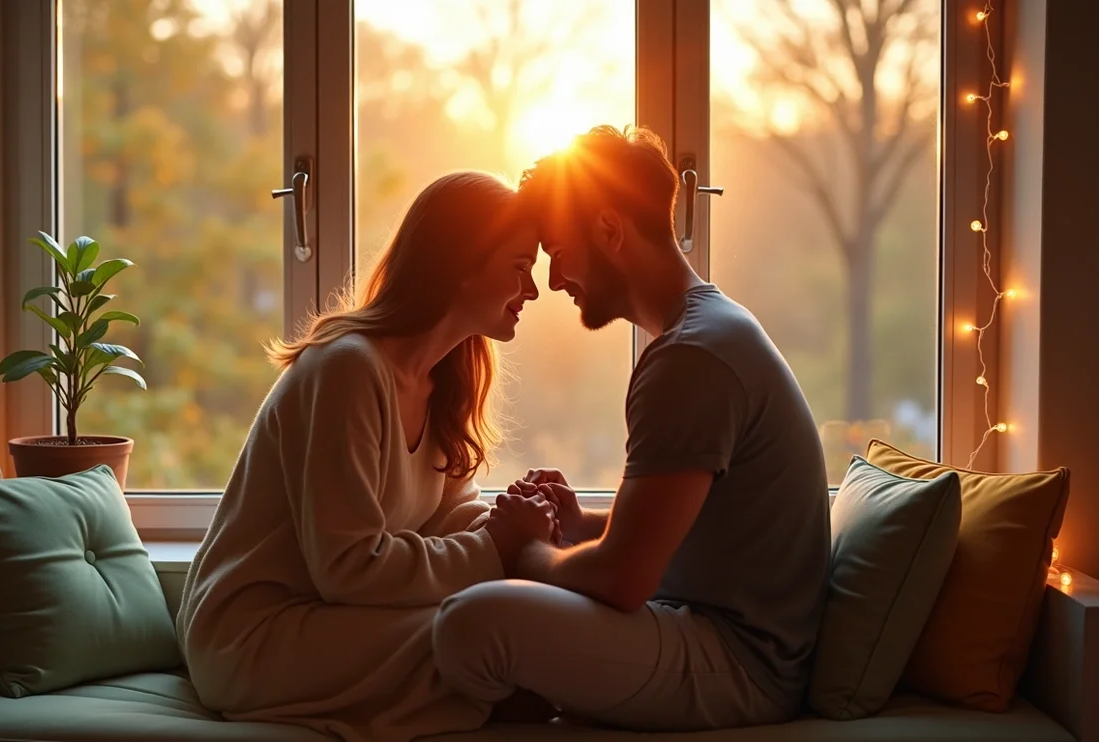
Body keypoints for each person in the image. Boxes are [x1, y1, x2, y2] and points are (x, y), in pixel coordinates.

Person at [431, 125, 832, 733]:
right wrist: (575, 525)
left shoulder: (692, 358)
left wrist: (524, 549)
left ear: (610, 231)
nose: (555, 281)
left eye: (559, 253)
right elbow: (684, 531)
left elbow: (623, 579)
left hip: (740, 663)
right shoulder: (705, 331)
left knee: (470, 622)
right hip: (712, 624)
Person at [175, 170, 558, 742]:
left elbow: (447, 515)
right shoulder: (349, 370)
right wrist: (494, 547)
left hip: (337, 614)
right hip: (254, 634)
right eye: (520, 267)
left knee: (509, 636)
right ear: (462, 264)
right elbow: (349, 567)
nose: (533, 291)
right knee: (494, 647)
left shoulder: (441, 382)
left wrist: (520, 523)